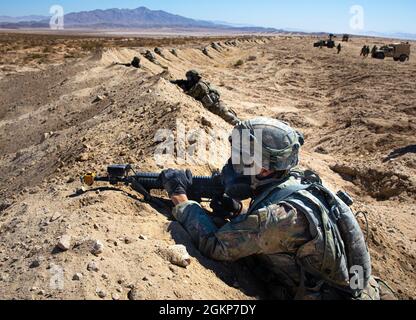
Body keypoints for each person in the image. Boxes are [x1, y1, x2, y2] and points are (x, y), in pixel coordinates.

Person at [158, 118, 396, 300]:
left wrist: (180, 197)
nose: (233, 165)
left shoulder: (280, 217)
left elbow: (215, 246)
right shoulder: (299, 183)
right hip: (360, 286)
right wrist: (240, 212)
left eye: (242, 158)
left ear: (264, 169)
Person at [171, 70, 240, 125]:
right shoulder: (201, 83)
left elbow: (189, 96)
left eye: (189, 78)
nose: (188, 80)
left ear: (194, 77)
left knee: (236, 122)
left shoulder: (200, 86)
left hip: (217, 108)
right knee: (235, 120)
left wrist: (183, 89)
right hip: (219, 105)